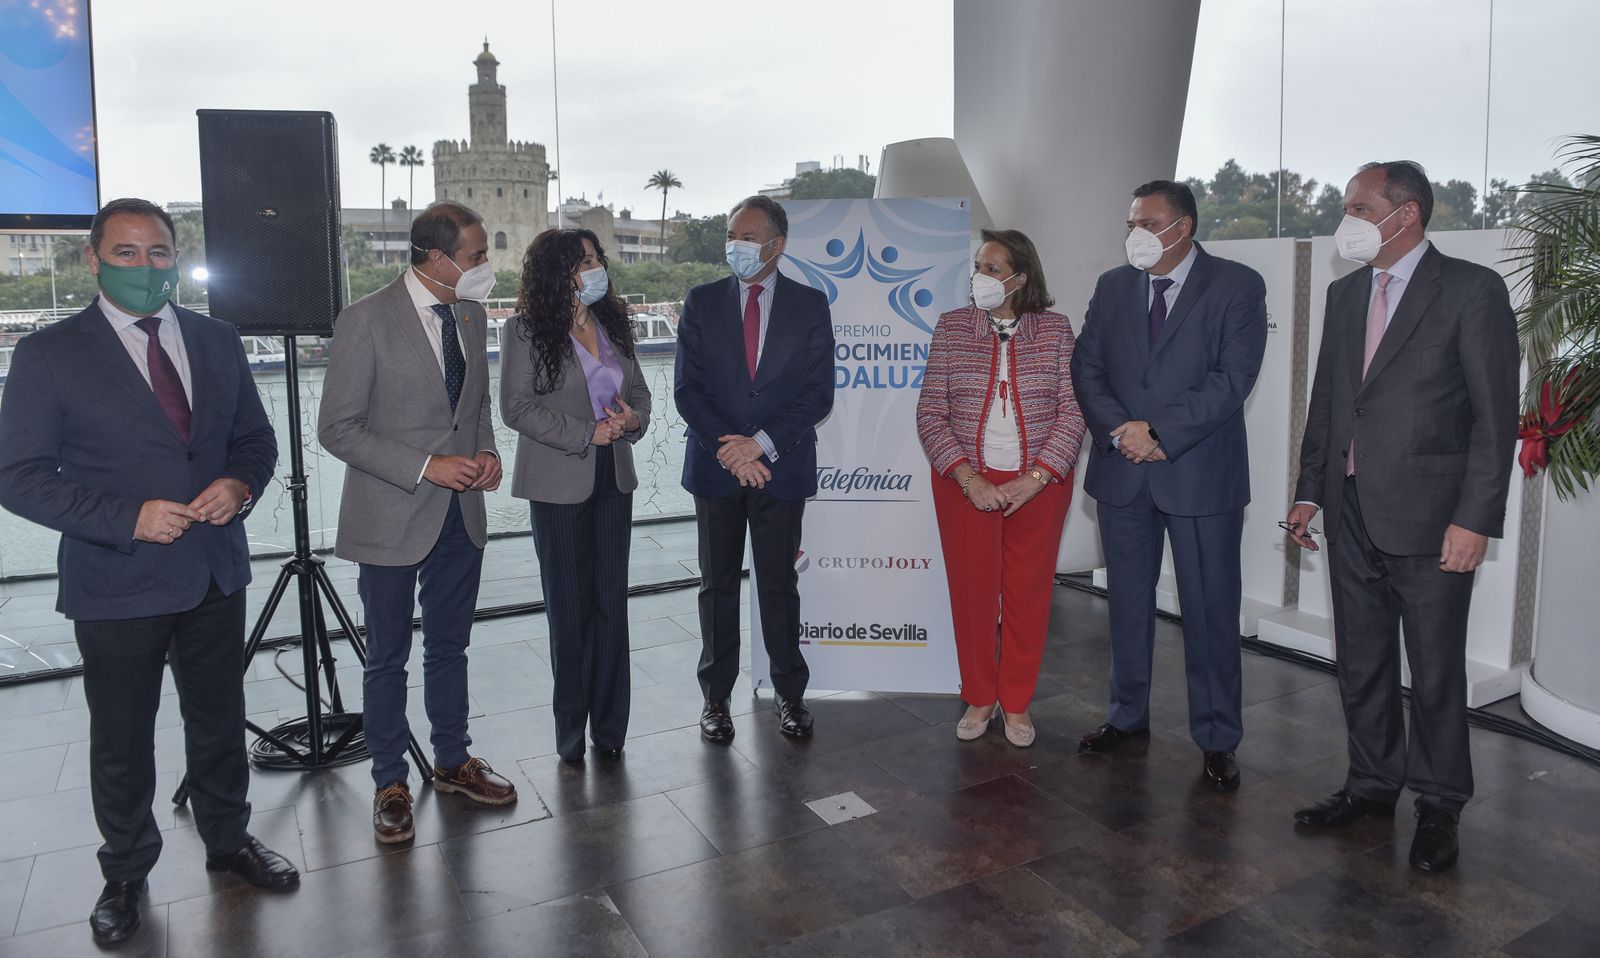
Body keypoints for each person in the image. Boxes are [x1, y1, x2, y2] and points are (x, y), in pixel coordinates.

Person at [0, 198, 298, 945]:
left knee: (220, 722)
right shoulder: (48, 354)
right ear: (93, 260)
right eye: (127, 253)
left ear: (177, 257)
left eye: (159, 252)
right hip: (115, 578)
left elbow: (255, 443)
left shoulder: (217, 339)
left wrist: (239, 485)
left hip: (210, 572)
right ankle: (126, 873)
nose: (145, 267)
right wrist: (124, 517)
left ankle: (228, 842)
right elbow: (18, 476)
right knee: (123, 738)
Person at [1285, 161, 1519, 873]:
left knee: (1437, 670)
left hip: (1433, 518)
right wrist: (1310, 492)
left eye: (1359, 206)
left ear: (1406, 213)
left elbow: (1492, 417)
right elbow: (1330, 403)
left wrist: (1475, 518)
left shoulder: (1473, 291)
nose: (1347, 218)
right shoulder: (1347, 291)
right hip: (1352, 513)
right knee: (1361, 662)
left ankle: (1441, 803)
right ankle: (1372, 783)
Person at [318, 200, 517, 845]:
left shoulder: (471, 314)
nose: (485, 265)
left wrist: (486, 454)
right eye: (476, 255)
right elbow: (337, 429)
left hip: (462, 513)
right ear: (436, 258)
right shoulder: (365, 320)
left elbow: (475, 404)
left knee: (450, 646)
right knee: (387, 657)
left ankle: (453, 760)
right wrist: (426, 466)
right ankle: (389, 782)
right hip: (390, 512)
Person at [1072, 179, 1268, 792]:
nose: (1137, 234)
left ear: (1184, 226)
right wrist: (1119, 431)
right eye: (1132, 223)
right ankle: (1127, 718)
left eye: (1149, 223)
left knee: (1210, 612)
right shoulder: (1112, 286)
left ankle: (1216, 738)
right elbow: (1087, 368)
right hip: (1123, 473)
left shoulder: (1237, 286)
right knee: (1127, 607)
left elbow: (1233, 378)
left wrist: (1157, 430)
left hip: (1200, 476)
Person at [674, 194, 835, 742]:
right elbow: (686, 390)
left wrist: (761, 446)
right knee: (716, 585)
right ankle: (714, 699)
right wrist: (732, 450)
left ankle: (790, 694)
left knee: (778, 584)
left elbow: (817, 395)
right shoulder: (700, 302)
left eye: (746, 236)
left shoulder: (810, 306)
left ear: (776, 245)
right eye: (731, 235)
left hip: (780, 468)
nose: (735, 246)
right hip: (718, 469)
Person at [916, 228, 1085, 747]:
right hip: (965, 485)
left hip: (1040, 487)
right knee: (971, 594)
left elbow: (1073, 411)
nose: (980, 277)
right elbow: (931, 413)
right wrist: (969, 478)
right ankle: (979, 696)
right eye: (978, 267)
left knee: (1026, 597)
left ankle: (1015, 703)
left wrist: (1036, 479)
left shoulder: (1056, 331)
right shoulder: (952, 328)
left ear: (1020, 277)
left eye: (992, 269)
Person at [501, 228, 652, 765]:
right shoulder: (523, 331)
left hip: (614, 477)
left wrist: (633, 419)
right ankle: (570, 734)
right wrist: (585, 432)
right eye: (584, 261)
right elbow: (515, 409)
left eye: (596, 259)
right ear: (556, 270)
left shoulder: (614, 320)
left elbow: (638, 394)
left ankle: (611, 729)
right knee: (569, 610)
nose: (595, 269)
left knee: (612, 604)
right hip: (557, 482)